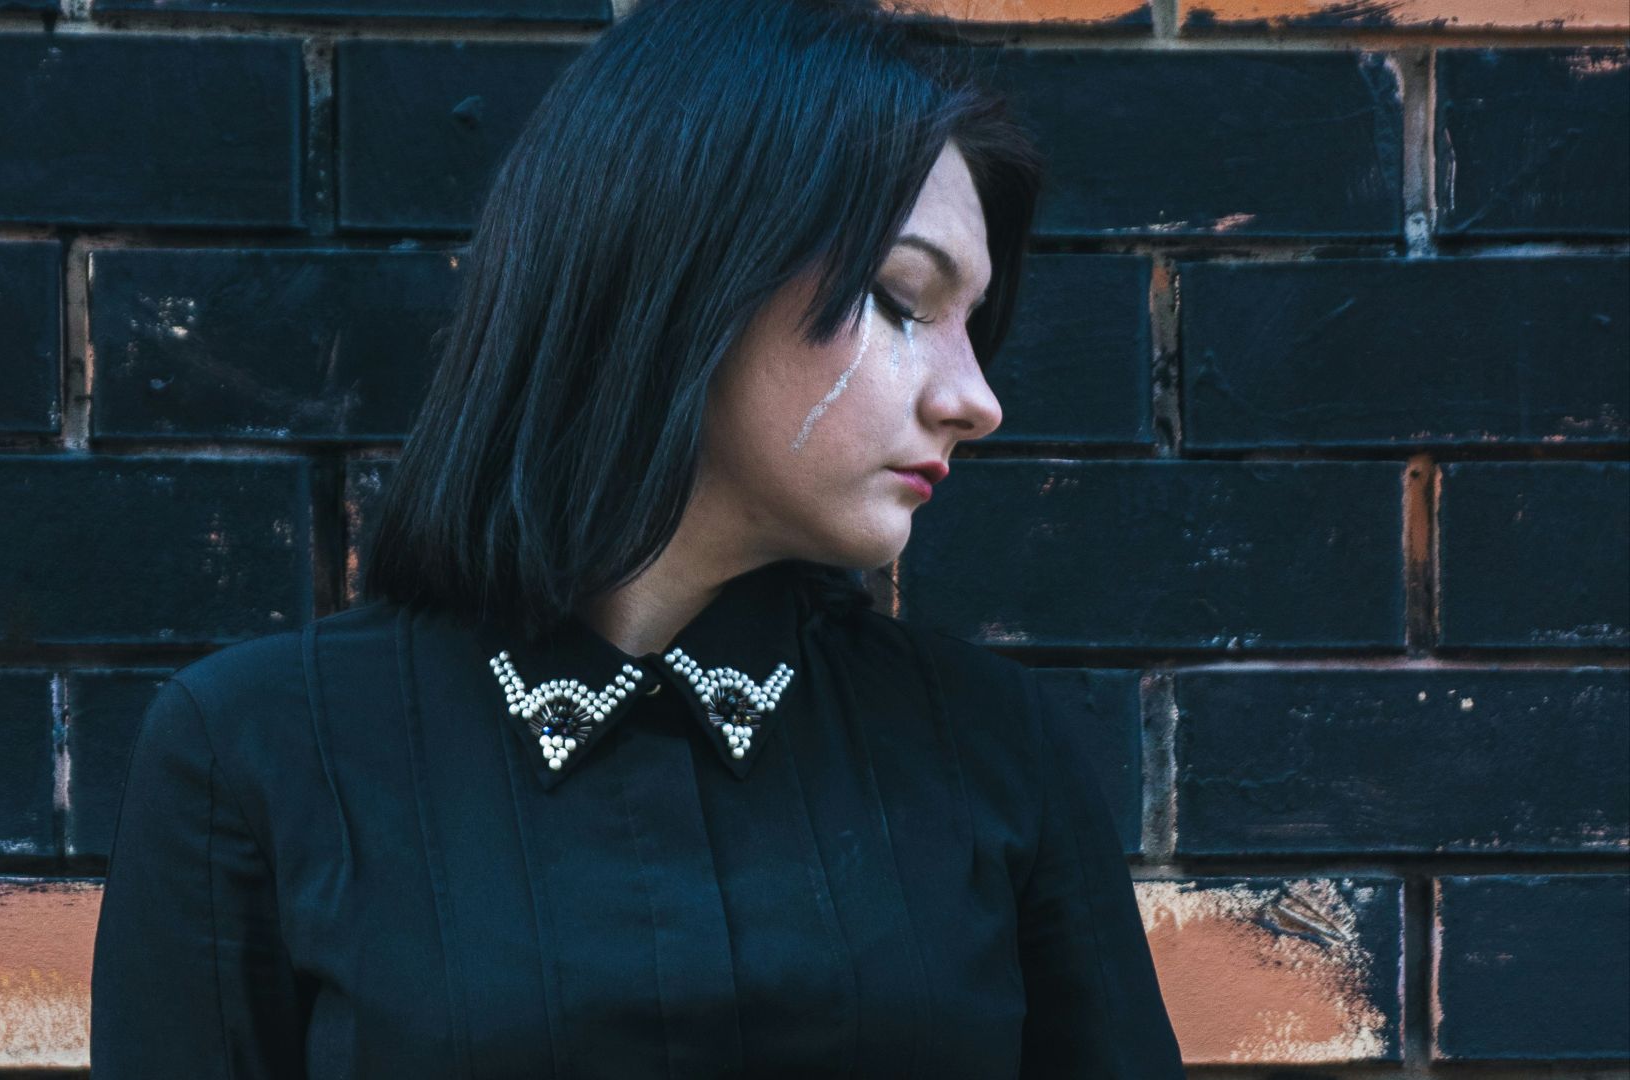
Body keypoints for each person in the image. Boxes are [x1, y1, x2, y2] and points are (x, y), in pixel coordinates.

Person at [89, 0, 1186, 1074]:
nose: (977, 397)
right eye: (901, 298)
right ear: (689, 272)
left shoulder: (997, 754)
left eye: (972, 322)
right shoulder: (255, 754)